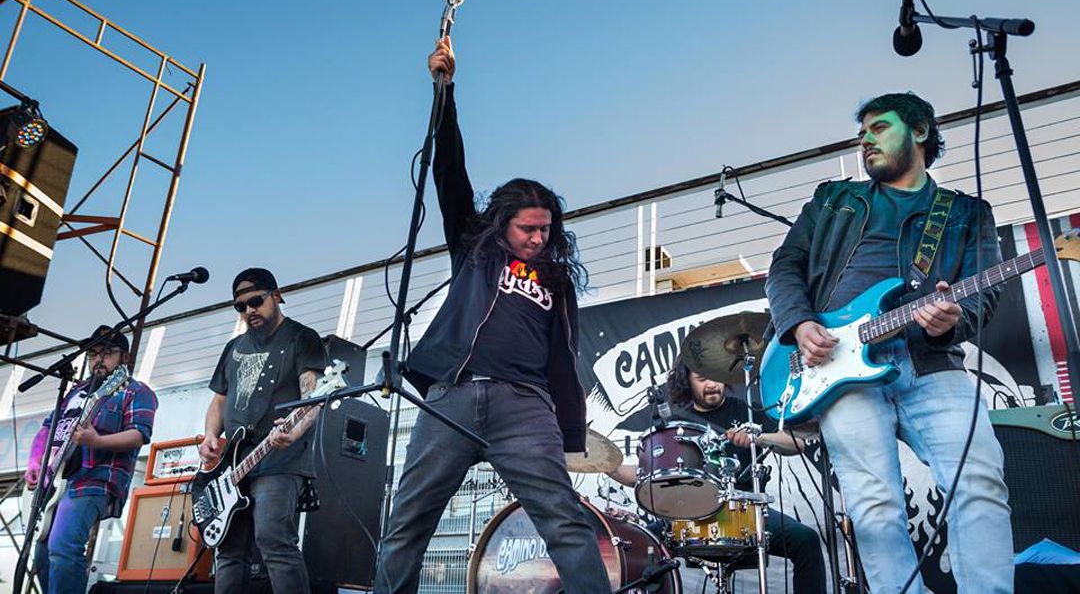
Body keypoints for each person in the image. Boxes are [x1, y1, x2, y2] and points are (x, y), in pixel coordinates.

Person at [372, 36, 611, 594]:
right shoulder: (474, 249)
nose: (538, 238)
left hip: (524, 407)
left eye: (546, 230)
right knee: (407, 522)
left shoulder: (556, 282)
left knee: (564, 522)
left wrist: (567, 427)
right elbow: (450, 171)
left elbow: (563, 361)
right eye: (528, 228)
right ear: (503, 223)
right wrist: (445, 92)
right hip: (452, 396)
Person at [765, 92, 1013, 592]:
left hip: (931, 362)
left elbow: (982, 291)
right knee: (874, 508)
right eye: (862, 133)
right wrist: (799, 324)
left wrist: (952, 320)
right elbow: (784, 267)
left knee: (979, 483)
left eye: (879, 128)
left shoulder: (965, 213)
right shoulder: (833, 200)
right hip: (838, 367)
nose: (865, 140)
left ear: (920, 131)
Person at [610, 359, 827, 594]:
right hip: (688, 514)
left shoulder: (746, 411)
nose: (711, 384)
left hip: (744, 511)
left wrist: (758, 438)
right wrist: (607, 465)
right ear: (687, 382)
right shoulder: (678, 425)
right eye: (702, 379)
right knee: (641, 545)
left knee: (806, 540)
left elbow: (796, 444)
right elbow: (647, 474)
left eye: (715, 377)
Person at [198, 267, 327, 594]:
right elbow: (219, 401)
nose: (249, 310)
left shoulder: (301, 338)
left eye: (256, 301)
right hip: (232, 464)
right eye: (240, 306)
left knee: (273, 540)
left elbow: (313, 398)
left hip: (278, 459)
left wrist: (293, 432)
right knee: (228, 551)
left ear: (277, 296)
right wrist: (211, 435)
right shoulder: (233, 347)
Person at [25, 325, 157, 594]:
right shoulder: (76, 391)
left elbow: (138, 435)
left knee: (63, 547)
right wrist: (36, 462)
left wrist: (96, 441)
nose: (98, 359)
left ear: (125, 358)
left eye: (107, 353)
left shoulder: (135, 391)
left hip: (95, 479)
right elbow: (48, 428)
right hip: (56, 481)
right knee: (42, 554)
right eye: (93, 354)